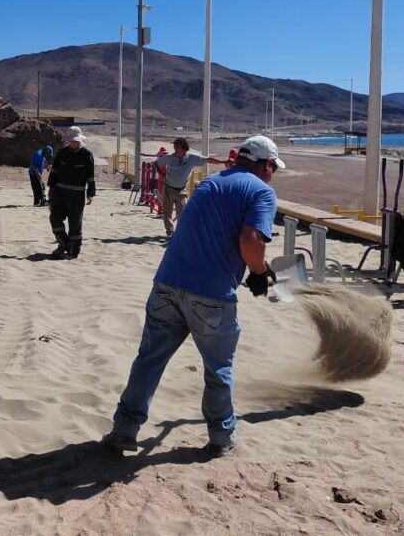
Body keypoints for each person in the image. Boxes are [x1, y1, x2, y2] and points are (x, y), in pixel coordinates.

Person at [102, 135, 284, 458]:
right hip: (211, 296)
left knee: (149, 360)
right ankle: (221, 437)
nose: (274, 174)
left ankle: (124, 431)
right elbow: (251, 240)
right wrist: (258, 273)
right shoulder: (262, 192)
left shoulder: (209, 184)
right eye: (274, 168)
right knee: (218, 368)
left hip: (168, 282)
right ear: (265, 165)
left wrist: (255, 266)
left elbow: (204, 231)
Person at [155, 137, 227, 238]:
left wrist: (224, 162)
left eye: (177, 148)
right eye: (174, 148)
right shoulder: (169, 158)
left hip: (181, 191)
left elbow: (208, 159)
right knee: (167, 213)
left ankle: (181, 233)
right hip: (168, 188)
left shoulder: (192, 158)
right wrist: (161, 174)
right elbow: (157, 163)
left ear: (184, 148)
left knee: (183, 213)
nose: (175, 150)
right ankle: (170, 232)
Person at [47, 129, 95, 259]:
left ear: (80, 140)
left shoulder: (87, 155)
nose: (73, 143)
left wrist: (90, 193)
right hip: (59, 193)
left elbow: (90, 176)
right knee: (55, 219)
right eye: (71, 141)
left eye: (76, 141)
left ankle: (74, 251)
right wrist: (51, 189)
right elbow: (54, 172)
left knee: (75, 224)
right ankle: (63, 244)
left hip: (77, 195)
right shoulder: (62, 153)